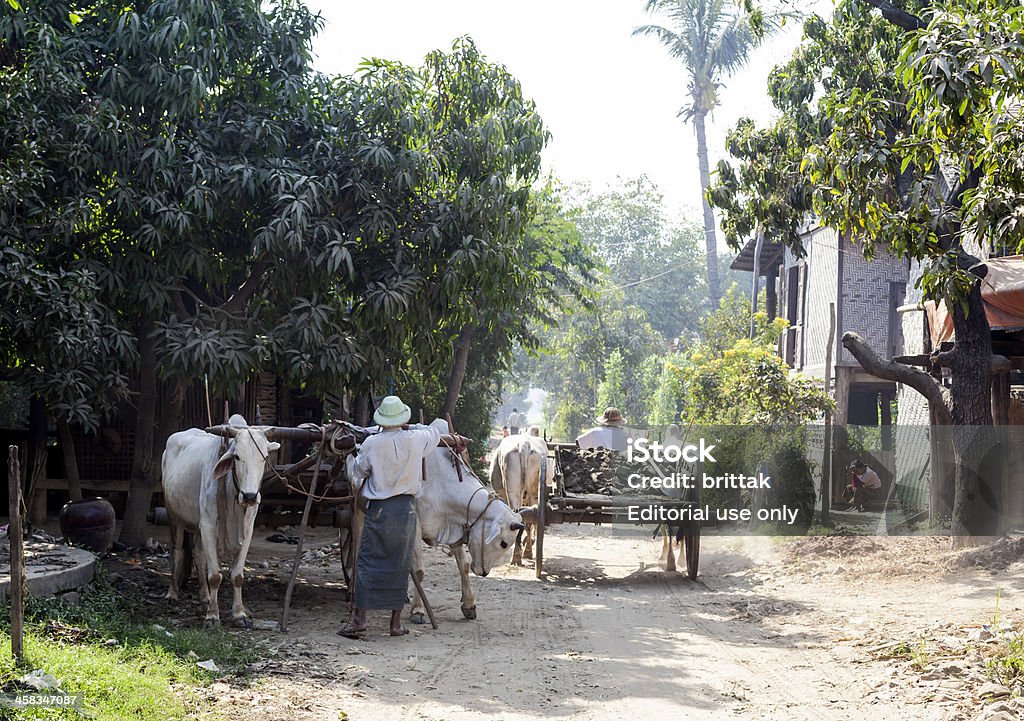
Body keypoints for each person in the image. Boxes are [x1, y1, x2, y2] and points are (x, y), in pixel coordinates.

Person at [340, 395, 440, 638]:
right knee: (400, 564)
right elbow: (435, 433)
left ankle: (360, 619)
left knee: (367, 563)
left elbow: (359, 472)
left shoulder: (372, 443)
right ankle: (395, 624)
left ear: (381, 421)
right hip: (406, 510)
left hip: (379, 510)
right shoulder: (417, 439)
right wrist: (413, 426)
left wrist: (350, 457)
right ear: (403, 419)